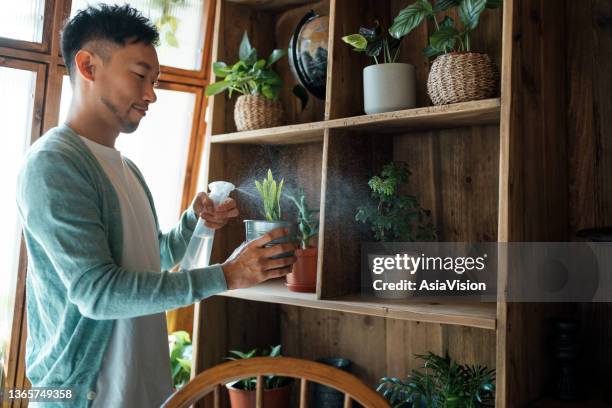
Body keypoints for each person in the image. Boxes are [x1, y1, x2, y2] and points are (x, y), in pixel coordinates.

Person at [16, 4, 296, 407]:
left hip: (142, 389)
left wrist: (194, 223)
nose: (151, 94)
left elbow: (156, 258)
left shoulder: (126, 168)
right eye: (140, 75)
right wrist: (227, 276)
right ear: (88, 66)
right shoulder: (53, 164)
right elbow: (98, 293)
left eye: (155, 80)